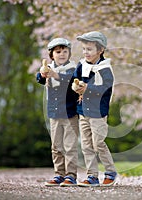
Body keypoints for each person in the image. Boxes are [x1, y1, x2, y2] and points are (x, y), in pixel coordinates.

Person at [72, 31, 117, 187]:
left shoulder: (104, 68)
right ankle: (92, 176)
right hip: (83, 111)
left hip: (98, 112)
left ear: (100, 50)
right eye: (84, 49)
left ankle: (110, 171)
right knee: (86, 145)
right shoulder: (81, 65)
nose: (86, 52)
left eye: (89, 49)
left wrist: (87, 89)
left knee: (98, 143)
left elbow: (106, 87)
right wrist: (76, 87)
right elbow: (74, 81)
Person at [36, 38, 79, 187]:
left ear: (69, 53)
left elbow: (71, 80)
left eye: (65, 51)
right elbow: (39, 79)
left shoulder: (73, 69)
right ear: (51, 54)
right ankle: (59, 174)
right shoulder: (49, 68)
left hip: (70, 113)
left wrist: (56, 75)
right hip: (54, 114)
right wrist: (42, 74)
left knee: (70, 146)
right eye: (58, 51)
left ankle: (71, 175)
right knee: (56, 146)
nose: (62, 54)